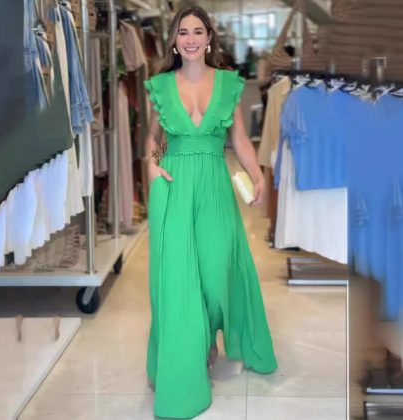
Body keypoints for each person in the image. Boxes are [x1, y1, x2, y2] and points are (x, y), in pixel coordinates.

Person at [144, 5, 277, 419]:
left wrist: (257, 175)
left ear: (209, 38)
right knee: (179, 278)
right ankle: (193, 351)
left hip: (215, 188)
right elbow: (154, 140)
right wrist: (152, 165)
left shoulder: (227, 83)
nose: (190, 39)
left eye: (197, 31)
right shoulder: (160, 86)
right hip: (174, 187)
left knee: (218, 271)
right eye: (183, 32)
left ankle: (211, 333)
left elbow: (240, 139)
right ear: (174, 40)